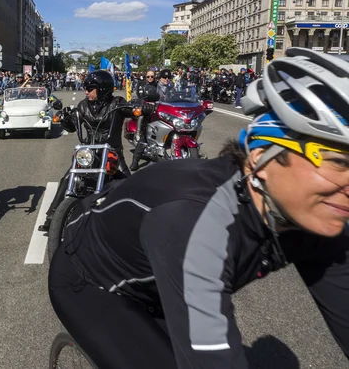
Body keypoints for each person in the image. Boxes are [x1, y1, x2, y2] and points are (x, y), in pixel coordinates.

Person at [48, 47, 349, 368]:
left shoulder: (325, 216)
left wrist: (141, 108)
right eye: (337, 161)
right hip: (91, 280)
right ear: (262, 158)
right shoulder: (192, 220)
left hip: (156, 272)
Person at [39, 70, 147, 232]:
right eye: (86, 88)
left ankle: (137, 221)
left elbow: (132, 111)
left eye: (90, 88)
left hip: (112, 153)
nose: (86, 91)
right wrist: (65, 120)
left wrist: (138, 106)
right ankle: (53, 217)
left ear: (102, 88)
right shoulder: (83, 105)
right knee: (68, 178)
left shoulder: (117, 103)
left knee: (128, 183)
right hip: (88, 153)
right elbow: (72, 127)